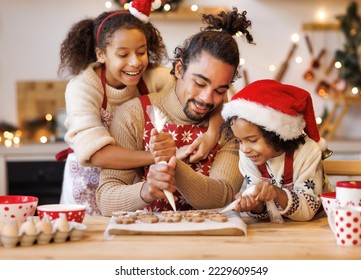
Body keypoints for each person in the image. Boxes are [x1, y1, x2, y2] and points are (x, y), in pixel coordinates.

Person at [57, 0, 221, 215]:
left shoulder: (154, 77)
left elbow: (213, 87)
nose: (135, 62)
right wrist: (162, 156)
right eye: (123, 55)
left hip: (128, 184)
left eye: (141, 52)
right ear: (101, 54)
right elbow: (97, 154)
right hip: (88, 183)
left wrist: (212, 133)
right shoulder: (83, 87)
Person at [96, 7, 255, 216]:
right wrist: (145, 191)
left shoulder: (230, 126)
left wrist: (173, 164)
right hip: (145, 243)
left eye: (219, 90)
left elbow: (222, 196)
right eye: (199, 83)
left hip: (210, 244)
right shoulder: (133, 115)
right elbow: (106, 200)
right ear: (179, 69)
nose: (207, 99)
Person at [221, 79, 334, 222]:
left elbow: (309, 209)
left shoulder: (308, 152)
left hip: (319, 227)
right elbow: (262, 212)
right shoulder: (249, 156)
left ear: (275, 134)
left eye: (252, 140)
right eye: (239, 140)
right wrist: (252, 204)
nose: (244, 149)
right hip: (277, 231)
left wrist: (276, 193)